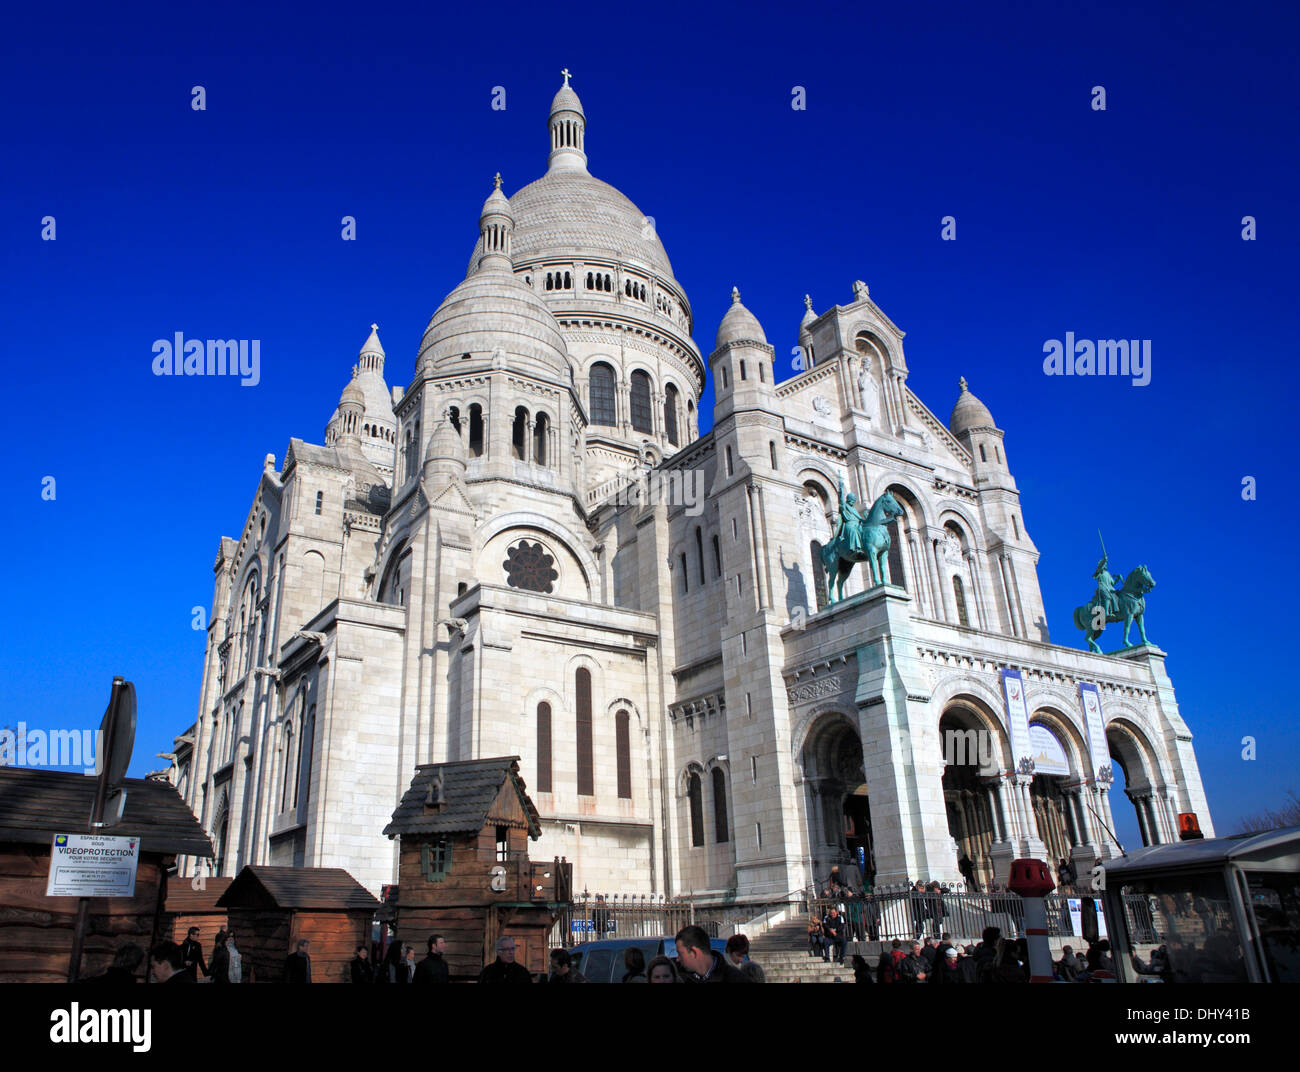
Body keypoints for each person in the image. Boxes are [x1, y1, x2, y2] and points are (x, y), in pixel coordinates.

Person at [674, 925, 749, 983]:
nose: (677, 959)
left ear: (694, 952)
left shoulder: (736, 978)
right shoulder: (674, 977)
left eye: (680, 953)